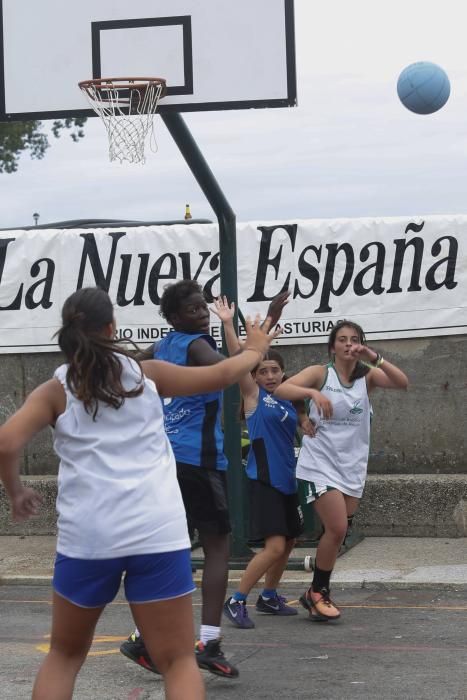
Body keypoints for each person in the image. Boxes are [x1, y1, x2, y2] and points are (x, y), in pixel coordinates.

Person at [0, 286, 278, 700]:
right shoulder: (147, 375)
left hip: (90, 537)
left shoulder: (56, 390)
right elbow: (221, 376)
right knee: (178, 660)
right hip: (156, 531)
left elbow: (6, 443)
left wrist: (16, 490)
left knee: (64, 655)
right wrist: (255, 350)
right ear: (112, 327)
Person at [121, 280, 287, 678]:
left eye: (202, 308)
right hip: (197, 460)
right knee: (217, 548)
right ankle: (208, 642)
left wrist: (270, 320)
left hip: (166, 459)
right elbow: (232, 365)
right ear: (175, 317)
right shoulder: (194, 345)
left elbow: (243, 353)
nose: (201, 314)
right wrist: (258, 338)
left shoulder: (165, 344)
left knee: (169, 548)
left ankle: (145, 637)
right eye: (193, 310)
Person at [274, 319, 408, 622]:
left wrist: (374, 356)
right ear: (333, 346)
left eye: (355, 339)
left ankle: (314, 592)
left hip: (351, 466)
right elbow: (283, 388)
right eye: (343, 339)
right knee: (337, 528)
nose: (349, 344)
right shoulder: (321, 373)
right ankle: (319, 592)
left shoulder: (367, 377)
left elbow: (402, 382)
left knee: (335, 534)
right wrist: (312, 397)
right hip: (319, 464)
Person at [211, 296, 328, 629]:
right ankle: (236, 600)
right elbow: (238, 357)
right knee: (275, 546)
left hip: (289, 481)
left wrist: (308, 424)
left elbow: (302, 426)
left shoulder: (290, 404)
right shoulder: (254, 397)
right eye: (264, 371)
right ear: (256, 377)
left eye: (275, 370)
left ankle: (269, 596)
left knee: (288, 542)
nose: (271, 375)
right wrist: (227, 323)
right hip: (264, 482)